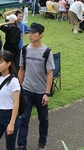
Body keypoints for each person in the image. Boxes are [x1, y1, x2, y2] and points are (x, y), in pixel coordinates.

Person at [17, 22, 54, 150]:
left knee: (43, 119)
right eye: (29, 32)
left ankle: (42, 143)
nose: (30, 35)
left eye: (33, 33)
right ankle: (22, 145)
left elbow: (50, 74)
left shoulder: (47, 52)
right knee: (23, 119)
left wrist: (47, 93)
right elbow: (21, 69)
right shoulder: (25, 49)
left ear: (41, 34)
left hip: (41, 92)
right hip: (26, 90)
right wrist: (18, 87)